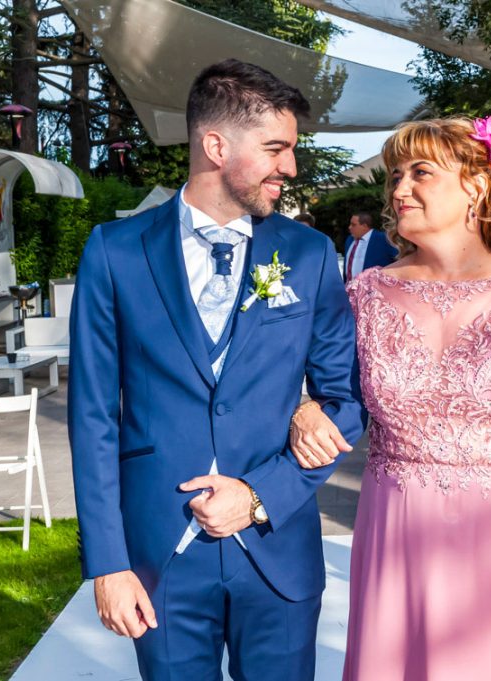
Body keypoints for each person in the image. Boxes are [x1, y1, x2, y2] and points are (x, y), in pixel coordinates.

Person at [68, 59, 367, 681]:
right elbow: (93, 417)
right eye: (276, 149)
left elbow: (347, 401)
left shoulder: (309, 254)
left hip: (277, 550)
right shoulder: (116, 251)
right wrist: (107, 563)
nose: (290, 166)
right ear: (214, 145)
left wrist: (261, 496)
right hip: (161, 558)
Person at [291, 117, 491, 679]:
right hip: (398, 538)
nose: (399, 188)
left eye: (420, 173)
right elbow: (317, 387)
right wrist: (303, 406)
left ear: (476, 185)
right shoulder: (364, 294)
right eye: (394, 176)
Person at [344, 211, 398, 282]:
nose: (349, 227)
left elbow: (398, 260)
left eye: (353, 225)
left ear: (364, 226)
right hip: (349, 289)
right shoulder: (350, 240)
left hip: (375, 289)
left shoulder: (383, 239)